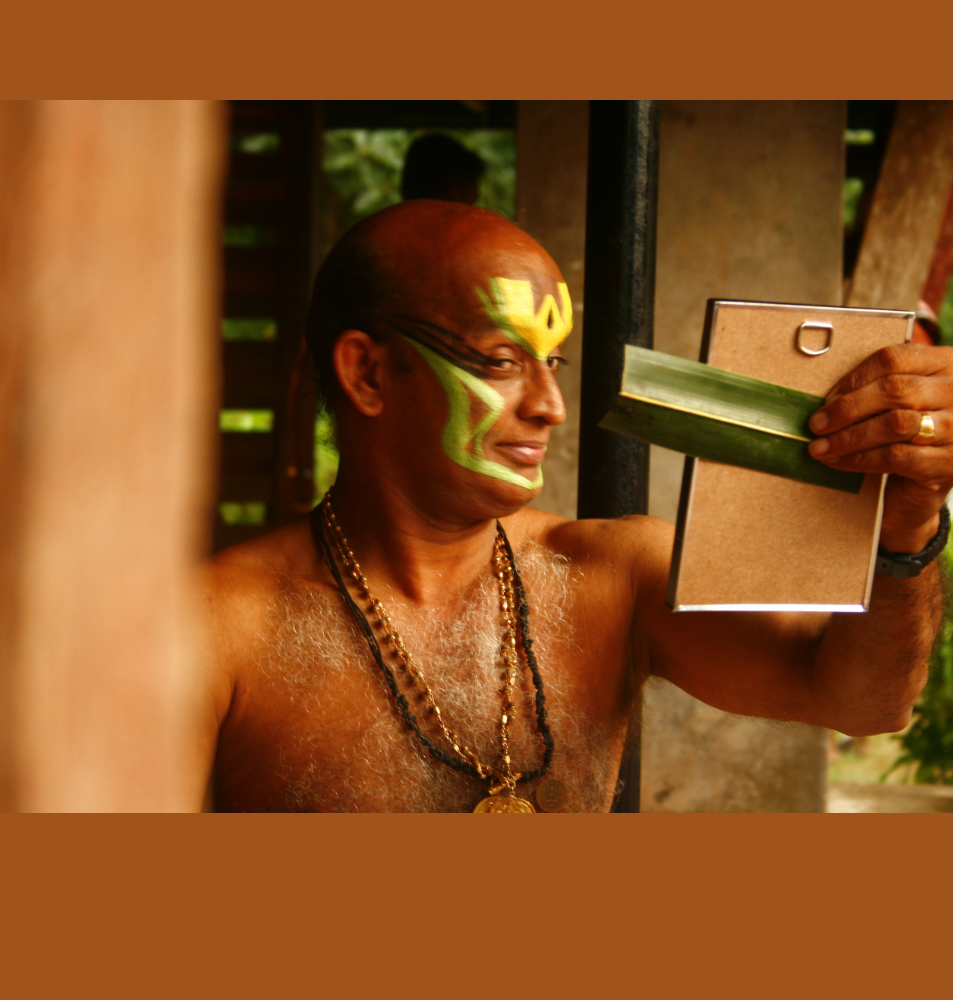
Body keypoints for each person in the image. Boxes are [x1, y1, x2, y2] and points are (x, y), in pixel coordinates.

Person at [197, 200, 952, 812]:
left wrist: (908, 528)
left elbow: (864, 702)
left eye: (550, 362)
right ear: (367, 374)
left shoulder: (612, 575)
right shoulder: (216, 627)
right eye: (501, 359)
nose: (551, 405)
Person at [400, 133, 485, 205]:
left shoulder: (391, 221)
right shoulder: (467, 222)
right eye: (472, 184)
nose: (476, 196)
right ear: (452, 190)